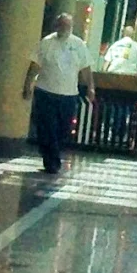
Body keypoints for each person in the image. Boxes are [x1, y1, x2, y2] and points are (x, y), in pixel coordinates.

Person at [22, 10, 95, 175]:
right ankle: (51, 161)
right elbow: (35, 65)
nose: (64, 28)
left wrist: (90, 86)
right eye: (62, 25)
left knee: (63, 129)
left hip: (69, 94)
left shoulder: (78, 45)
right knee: (47, 127)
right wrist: (28, 85)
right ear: (57, 26)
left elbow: (86, 68)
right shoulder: (47, 43)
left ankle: (53, 155)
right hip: (46, 92)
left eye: (67, 25)